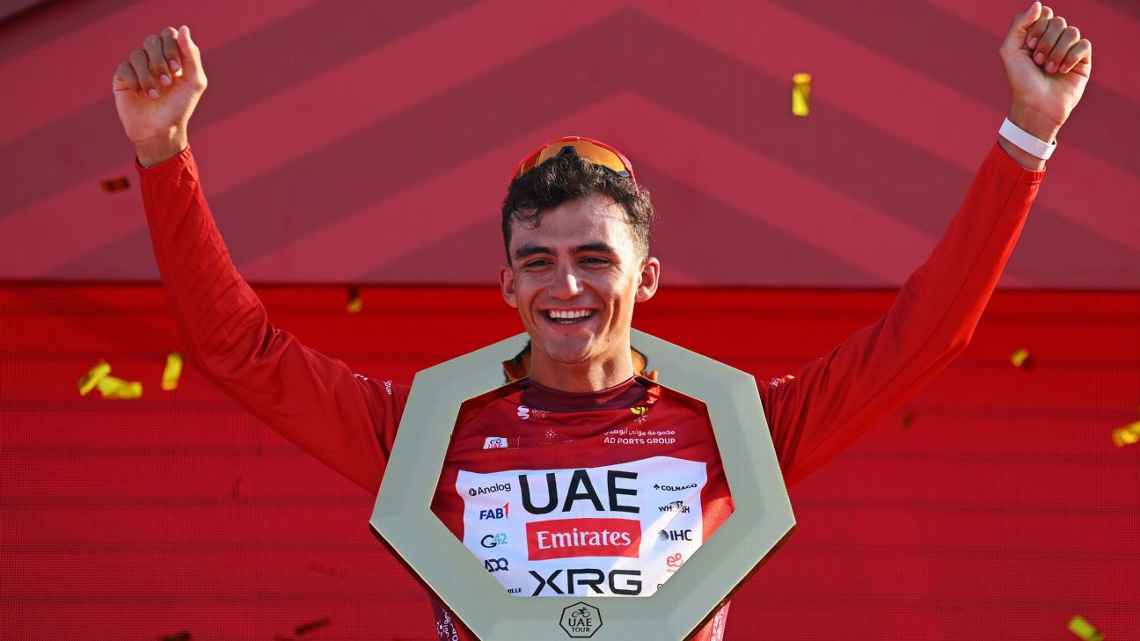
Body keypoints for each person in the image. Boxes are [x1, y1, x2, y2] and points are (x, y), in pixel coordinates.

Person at [111, 3, 1092, 640]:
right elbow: (239, 350)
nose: (566, 285)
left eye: (594, 258)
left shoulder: (736, 429)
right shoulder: (426, 432)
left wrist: (1030, 130)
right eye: (538, 261)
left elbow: (924, 338)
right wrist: (162, 152)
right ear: (506, 284)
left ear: (648, 277)